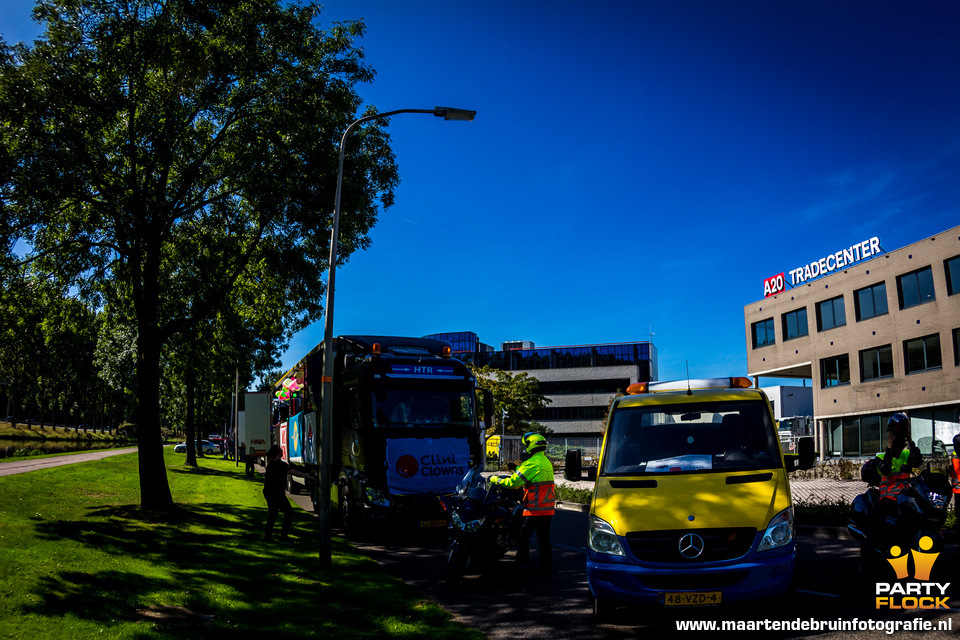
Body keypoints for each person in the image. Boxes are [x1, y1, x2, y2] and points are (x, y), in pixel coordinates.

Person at [489, 431, 555, 571]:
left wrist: (495, 479)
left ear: (530, 446)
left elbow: (514, 482)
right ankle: (547, 565)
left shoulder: (532, 463)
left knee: (522, 537)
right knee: (543, 539)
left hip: (534, 509)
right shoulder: (545, 461)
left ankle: (523, 565)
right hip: (547, 509)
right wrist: (517, 468)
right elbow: (531, 475)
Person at [874, 413, 922, 508]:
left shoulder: (907, 454)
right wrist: (889, 448)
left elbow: (918, 462)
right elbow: (885, 470)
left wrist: (911, 442)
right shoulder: (881, 457)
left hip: (905, 499)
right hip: (888, 499)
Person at [262, 445, 308, 543]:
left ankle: (268, 536)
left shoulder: (270, 464)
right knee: (289, 513)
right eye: (281, 450)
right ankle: (283, 537)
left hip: (270, 493)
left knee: (273, 515)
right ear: (278, 453)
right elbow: (293, 472)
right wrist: (306, 476)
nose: (283, 451)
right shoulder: (279, 464)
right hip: (277, 494)